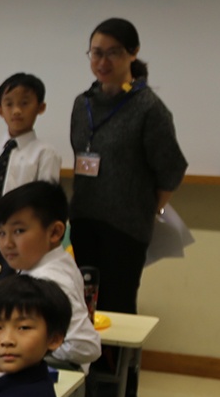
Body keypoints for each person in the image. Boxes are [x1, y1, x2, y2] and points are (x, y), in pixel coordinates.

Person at [67, 17, 188, 315]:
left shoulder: (148, 107)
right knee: (80, 305)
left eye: (113, 53)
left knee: (116, 307)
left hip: (125, 228)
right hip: (83, 220)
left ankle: (115, 352)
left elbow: (171, 168)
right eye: (96, 53)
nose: (102, 61)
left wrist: (149, 209)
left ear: (133, 53)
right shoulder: (83, 104)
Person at [0, 182, 101, 367]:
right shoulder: (48, 262)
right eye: (1, 233)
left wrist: (33, 345)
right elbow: (17, 311)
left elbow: (87, 346)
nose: (7, 243)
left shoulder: (50, 278)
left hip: (53, 374)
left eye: (19, 231)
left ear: (55, 232)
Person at [0, 73, 62, 255]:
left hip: (18, 239)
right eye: (9, 104)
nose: (16, 111)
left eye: (24, 103)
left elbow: (45, 202)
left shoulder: (45, 153)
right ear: (0, 110)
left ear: (40, 108)